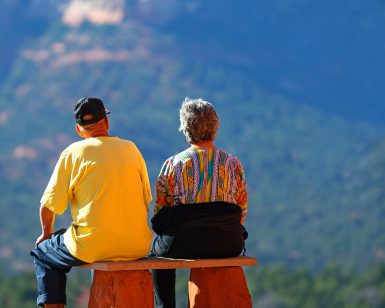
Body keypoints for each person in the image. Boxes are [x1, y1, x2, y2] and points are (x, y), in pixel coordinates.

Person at [31, 97, 153, 308]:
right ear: (106, 122)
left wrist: (46, 234)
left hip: (92, 245)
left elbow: (49, 206)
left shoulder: (73, 152)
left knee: (43, 253)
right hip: (137, 246)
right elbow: (146, 198)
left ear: (79, 130)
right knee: (81, 242)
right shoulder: (132, 149)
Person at [150, 98, 249, 308]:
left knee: (157, 255)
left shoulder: (173, 164)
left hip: (182, 243)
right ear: (215, 127)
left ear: (186, 128)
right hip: (227, 244)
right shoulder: (233, 164)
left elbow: (160, 214)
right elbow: (241, 210)